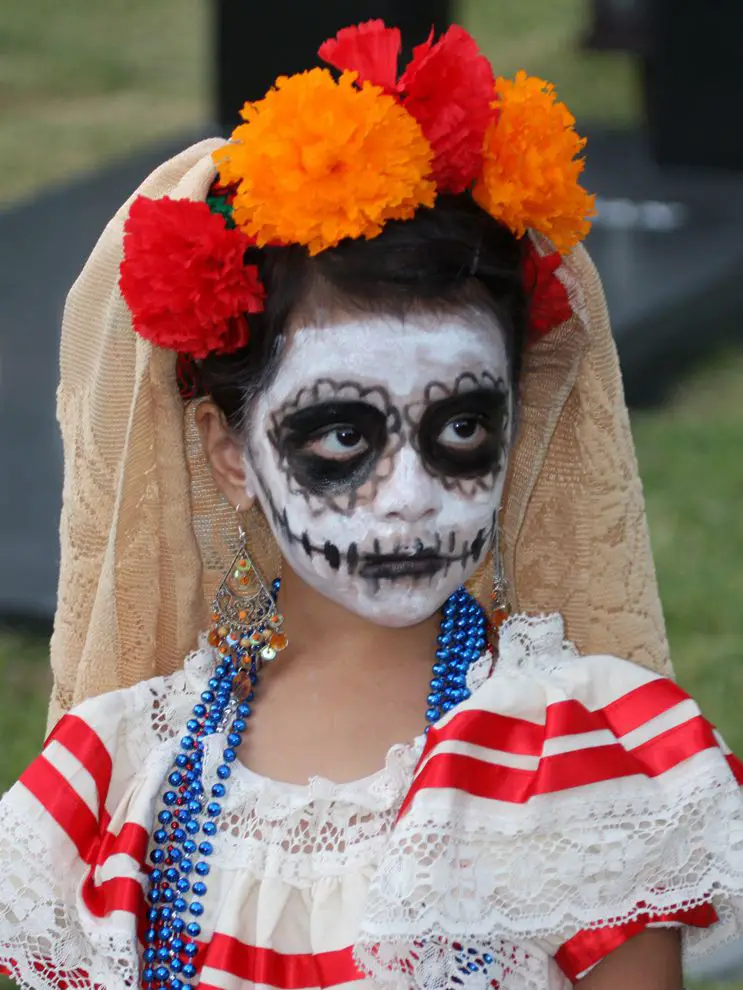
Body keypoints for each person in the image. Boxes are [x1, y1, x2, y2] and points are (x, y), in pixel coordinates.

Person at [1, 19, 742, 990]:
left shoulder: (584, 767)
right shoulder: (124, 773)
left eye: (463, 432)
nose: (408, 500)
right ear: (229, 452)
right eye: (343, 438)